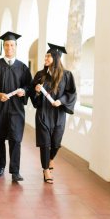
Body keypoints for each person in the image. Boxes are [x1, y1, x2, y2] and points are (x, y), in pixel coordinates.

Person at [0, 31, 32, 182]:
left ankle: (15, 171)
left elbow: (28, 85)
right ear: (3, 47)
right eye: (6, 45)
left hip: (16, 108)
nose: (9, 47)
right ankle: (0, 166)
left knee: (15, 139)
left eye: (12, 45)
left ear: (16, 47)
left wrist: (24, 90)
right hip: (0, 107)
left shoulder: (23, 67)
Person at [30, 43, 77, 183]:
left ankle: (50, 159)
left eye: (49, 56)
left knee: (56, 143)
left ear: (56, 58)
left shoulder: (67, 75)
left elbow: (72, 93)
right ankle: (46, 171)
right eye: (46, 55)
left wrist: (61, 101)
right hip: (43, 113)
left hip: (58, 115)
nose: (46, 58)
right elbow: (32, 93)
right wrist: (37, 92)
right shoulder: (40, 75)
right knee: (45, 143)